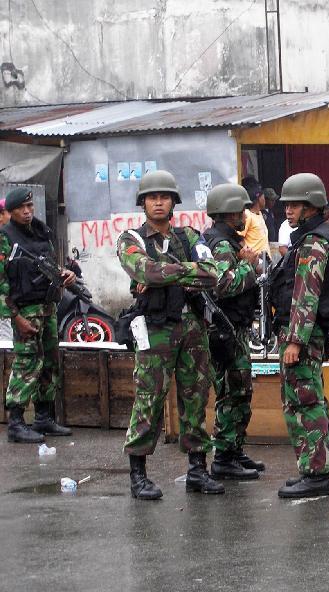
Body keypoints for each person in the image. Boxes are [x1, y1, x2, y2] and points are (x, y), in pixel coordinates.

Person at [116, 170, 223, 500]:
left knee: (196, 399)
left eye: (164, 197)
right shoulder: (131, 239)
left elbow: (213, 272)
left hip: (193, 328)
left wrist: (167, 273)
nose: (158, 202)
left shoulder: (189, 236)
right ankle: (138, 475)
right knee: (149, 400)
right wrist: (185, 272)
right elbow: (143, 270)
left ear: (174, 201)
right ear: (143, 203)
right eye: (152, 197)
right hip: (156, 330)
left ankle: (197, 469)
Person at [270, 173, 329, 498]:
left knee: (305, 401)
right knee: (307, 397)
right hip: (306, 332)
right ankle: (314, 466)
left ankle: (317, 473)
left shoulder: (314, 241)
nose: (289, 210)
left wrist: (295, 341)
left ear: (312, 205)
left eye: (296, 204)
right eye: (287, 204)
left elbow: (306, 294)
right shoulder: (310, 236)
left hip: (303, 334)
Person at [0, 187, 74, 443]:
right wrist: (15, 317)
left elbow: (51, 264)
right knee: (26, 363)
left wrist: (65, 274)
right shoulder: (5, 238)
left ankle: (44, 418)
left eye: (30, 206)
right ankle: (16, 423)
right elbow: (1, 283)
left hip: (48, 307)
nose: (27, 211)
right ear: (10, 211)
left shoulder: (43, 232)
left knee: (50, 363)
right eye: (22, 208)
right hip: (25, 311)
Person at [202, 183, 265, 480]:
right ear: (229, 212)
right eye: (241, 210)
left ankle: (235, 448)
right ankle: (224, 457)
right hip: (225, 329)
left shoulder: (229, 240)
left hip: (234, 327)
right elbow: (223, 285)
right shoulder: (222, 245)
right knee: (232, 391)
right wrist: (251, 268)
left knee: (241, 390)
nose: (245, 215)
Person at [238, 176, 269, 254]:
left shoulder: (259, 214)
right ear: (258, 198)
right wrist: (249, 254)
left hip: (265, 261)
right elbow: (238, 238)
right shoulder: (247, 215)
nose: (265, 198)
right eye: (263, 196)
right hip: (256, 262)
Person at [263, 187, 280, 256]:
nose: (274, 202)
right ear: (265, 199)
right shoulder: (261, 213)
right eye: (271, 200)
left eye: (274, 200)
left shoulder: (270, 211)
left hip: (273, 243)